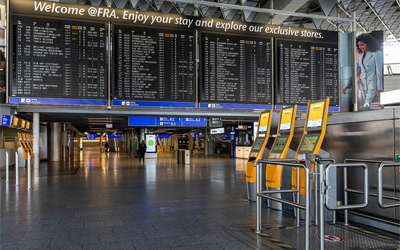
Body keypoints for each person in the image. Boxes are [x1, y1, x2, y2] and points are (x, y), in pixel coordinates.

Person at [342, 33, 383, 108]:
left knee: (370, 106)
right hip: (363, 86)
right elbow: (356, 71)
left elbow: (379, 72)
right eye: (359, 45)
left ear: (368, 43)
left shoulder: (377, 54)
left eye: (362, 45)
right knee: (368, 108)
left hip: (373, 86)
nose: (360, 47)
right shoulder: (361, 55)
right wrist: (347, 86)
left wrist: (379, 89)